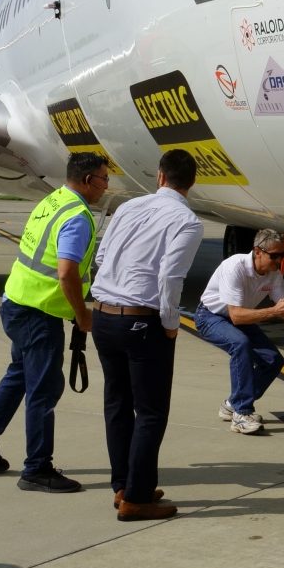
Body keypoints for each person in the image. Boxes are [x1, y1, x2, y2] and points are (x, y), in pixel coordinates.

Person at [0, 152, 109, 492]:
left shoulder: (55, 200)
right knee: (44, 389)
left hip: (17, 300)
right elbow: (67, 272)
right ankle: (37, 469)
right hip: (37, 312)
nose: (105, 186)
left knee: (18, 376)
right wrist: (83, 315)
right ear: (87, 181)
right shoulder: (78, 218)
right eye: (103, 179)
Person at [90, 149, 204, 522]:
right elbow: (171, 277)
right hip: (141, 320)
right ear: (191, 182)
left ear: (159, 177)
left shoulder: (127, 207)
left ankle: (123, 485)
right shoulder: (186, 221)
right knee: (151, 412)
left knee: (118, 403)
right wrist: (171, 323)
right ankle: (137, 498)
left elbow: (102, 256)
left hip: (105, 315)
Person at [195, 229, 284, 435]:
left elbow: (283, 310)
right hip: (210, 317)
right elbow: (236, 316)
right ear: (258, 252)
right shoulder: (234, 267)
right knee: (240, 344)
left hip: (241, 317)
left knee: (273, 360)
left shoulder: (274, 274)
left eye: (283, 255)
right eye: (274, 256)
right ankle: (242, 414)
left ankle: (233, 403)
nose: (279, 260)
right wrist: (274, 311)